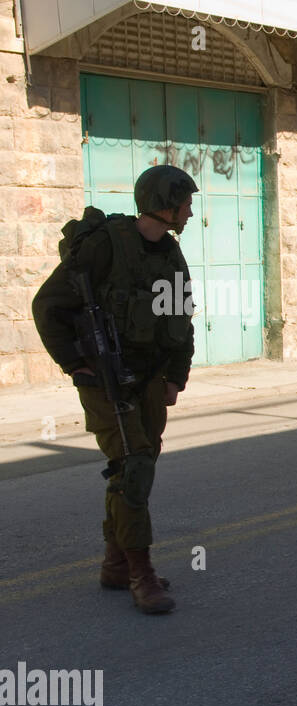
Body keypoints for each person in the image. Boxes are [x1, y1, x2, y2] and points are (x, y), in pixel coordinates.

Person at [32, 165, 198, 614]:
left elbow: (182, 320)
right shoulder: (106, 245)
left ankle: (114, 563)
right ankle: (141, 574)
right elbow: (47, 306)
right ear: (166, 203)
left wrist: (175, 377)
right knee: (135, 467)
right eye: (185, 203)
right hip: (106, 380)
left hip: (149, 380)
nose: (189, 212)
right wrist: (77, 364)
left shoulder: (169, 254)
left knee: (130, 472)